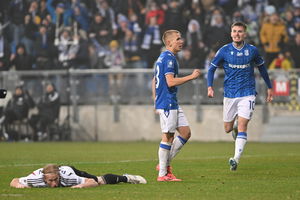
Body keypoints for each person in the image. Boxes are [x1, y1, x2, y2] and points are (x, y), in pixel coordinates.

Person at [207, 22, 273, 171]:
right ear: (231, 34)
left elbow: (262, 69)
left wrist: (269, 87)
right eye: (235, 31)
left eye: (240, 31)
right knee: (227, 128)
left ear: (245, 34)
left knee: (244, 124)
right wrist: (209, 87)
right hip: (230, 94)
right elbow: (211, 69)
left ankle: (235, 159)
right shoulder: (224, 51)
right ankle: (235, 127)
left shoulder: (252, 51)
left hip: (247, 93)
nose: (237, 34)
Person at [152, 30, 201, 181]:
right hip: (167, 102)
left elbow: (154, 80)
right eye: (178, 39)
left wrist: (155, 100)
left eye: (181, 38)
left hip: (170, 101)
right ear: (169, 43)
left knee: (185, 133)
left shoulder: (164, 57)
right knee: (168, 136)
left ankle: (164, 165)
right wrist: (192, 76)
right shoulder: (169, 59)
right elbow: (170, 82)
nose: (181, 41)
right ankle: (163, 174)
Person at [10, 164, 146, 188]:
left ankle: (127, 178)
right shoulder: (34, 180)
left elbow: (91, 182)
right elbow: (14, 181)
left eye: (55, 180)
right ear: (44, 178)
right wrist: (19, 186)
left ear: (59, 176)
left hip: (72, 170)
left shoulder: (68, 177)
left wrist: (81, 186)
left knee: (99, 180)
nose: (54, 184)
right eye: (50, 181)